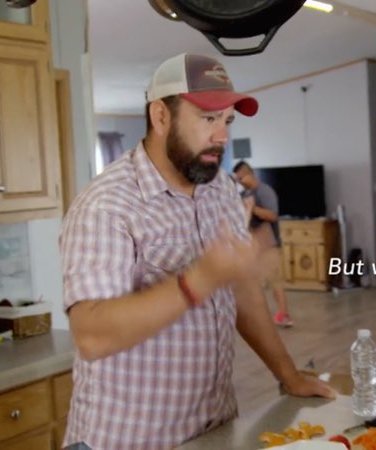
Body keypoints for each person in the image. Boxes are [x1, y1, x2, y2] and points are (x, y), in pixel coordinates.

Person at [59, 53, 336, 450]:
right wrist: (200, 279)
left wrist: (288, 374)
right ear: (160, 117)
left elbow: (240, 292)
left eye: (227, 121)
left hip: (213, 429)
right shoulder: (106, 205)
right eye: (208, 119)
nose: (222, 137)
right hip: (125, 439)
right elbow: (92, 336)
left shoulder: (219, 188)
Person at [232, 161, 293, 327]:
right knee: (254, 282)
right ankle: (260, 316)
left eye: (241, 177)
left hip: (269, 244)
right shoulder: (245, 194)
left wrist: (252, 208)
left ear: (249, 174)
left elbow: (273, 215)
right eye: (237, 179)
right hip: (253, 244)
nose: (239, 182)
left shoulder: (265, 191)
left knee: (275, 281)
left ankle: (283, 314)